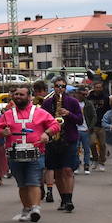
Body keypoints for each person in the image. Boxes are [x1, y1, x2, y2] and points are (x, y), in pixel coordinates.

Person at [0, 85, 60, 223]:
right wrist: (2, 132)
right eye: (16, 94)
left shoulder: (40, 112)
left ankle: (35, 208)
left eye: (21, 94)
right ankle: (26, 208)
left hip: (36, 152)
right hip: (14, 154)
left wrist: (47, 134)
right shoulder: (8, 114)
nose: (17, 96)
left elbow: (55, 124)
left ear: (29, 97)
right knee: (22, 184)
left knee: (34, 181)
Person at [42, 78, 83, 212]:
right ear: (53, 87)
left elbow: (80, 120)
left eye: (63, 86)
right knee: (58, 172)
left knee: (68, 170)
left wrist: (68, 114)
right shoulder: (47, 103)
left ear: (66, 88)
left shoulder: (73, 102)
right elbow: (42, 121)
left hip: (69, 139)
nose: (60, 88)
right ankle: (64, 199)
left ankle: (69, 199)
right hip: (53, 141)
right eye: (57, 86)